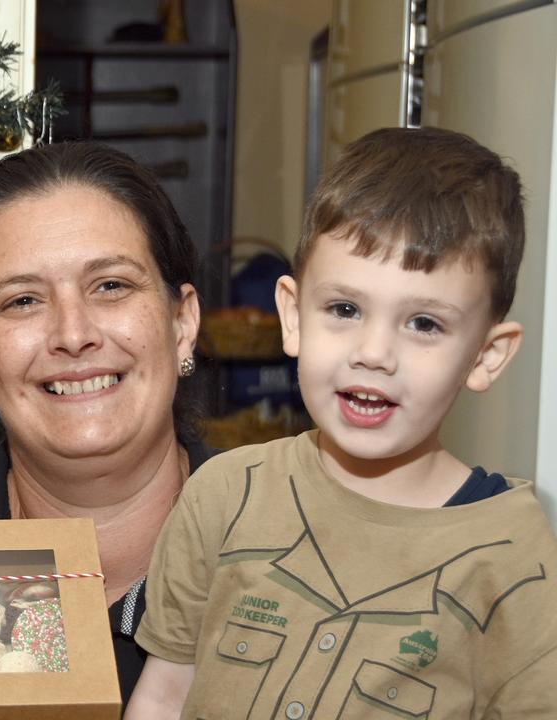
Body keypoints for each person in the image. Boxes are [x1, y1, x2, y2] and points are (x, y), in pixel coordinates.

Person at [128, 127, 557, 719]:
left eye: (425, 324)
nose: (374, 352)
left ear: (485, 355)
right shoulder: (225, 495)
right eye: (345, 309)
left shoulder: (514, 556)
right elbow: (164, 695)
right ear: (293, 315)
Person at [0, 142, 208, 707]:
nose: (73, 332)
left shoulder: (294, 561)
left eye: (110, 285)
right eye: (23, 301)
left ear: (181, 322)